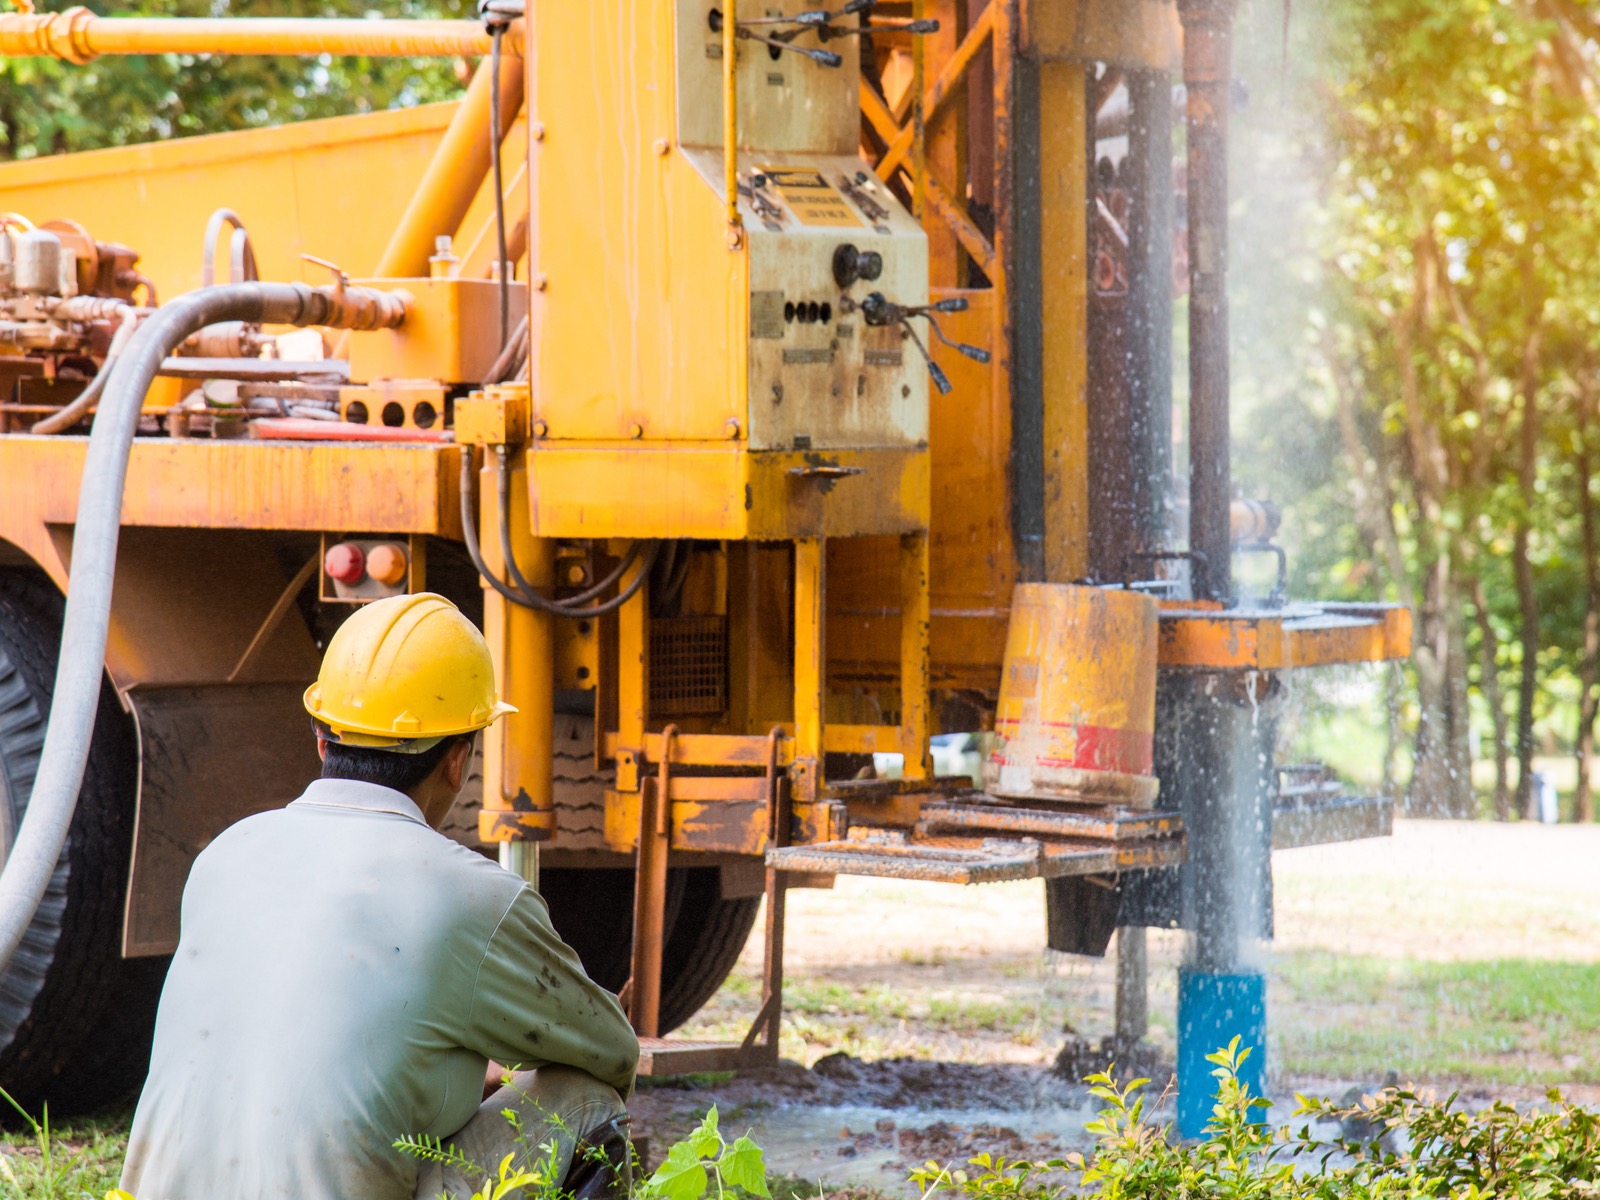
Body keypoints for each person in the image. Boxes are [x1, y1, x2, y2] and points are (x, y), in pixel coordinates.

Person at [120, 592, 639, 1200]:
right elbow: (611, 1053)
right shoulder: (474, 895)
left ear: (321, 739)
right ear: (458, 760)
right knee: (585, 1100)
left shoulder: (225, 854)